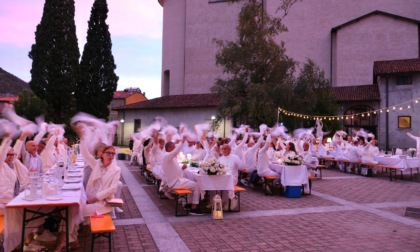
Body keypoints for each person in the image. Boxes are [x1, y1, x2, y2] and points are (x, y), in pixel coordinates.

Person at [162, 137, 204, 215]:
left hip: (177, 180)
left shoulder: (168, 157)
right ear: (169, 148)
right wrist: (182, 141)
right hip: (176, 182)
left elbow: (173, 170)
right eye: (173, 148)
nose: (175, 150)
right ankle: (193, 208)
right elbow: (175, 151)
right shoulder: (167, 156)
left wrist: (181, 168)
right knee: (198, 186)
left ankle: (189, 204)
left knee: (193, 183)